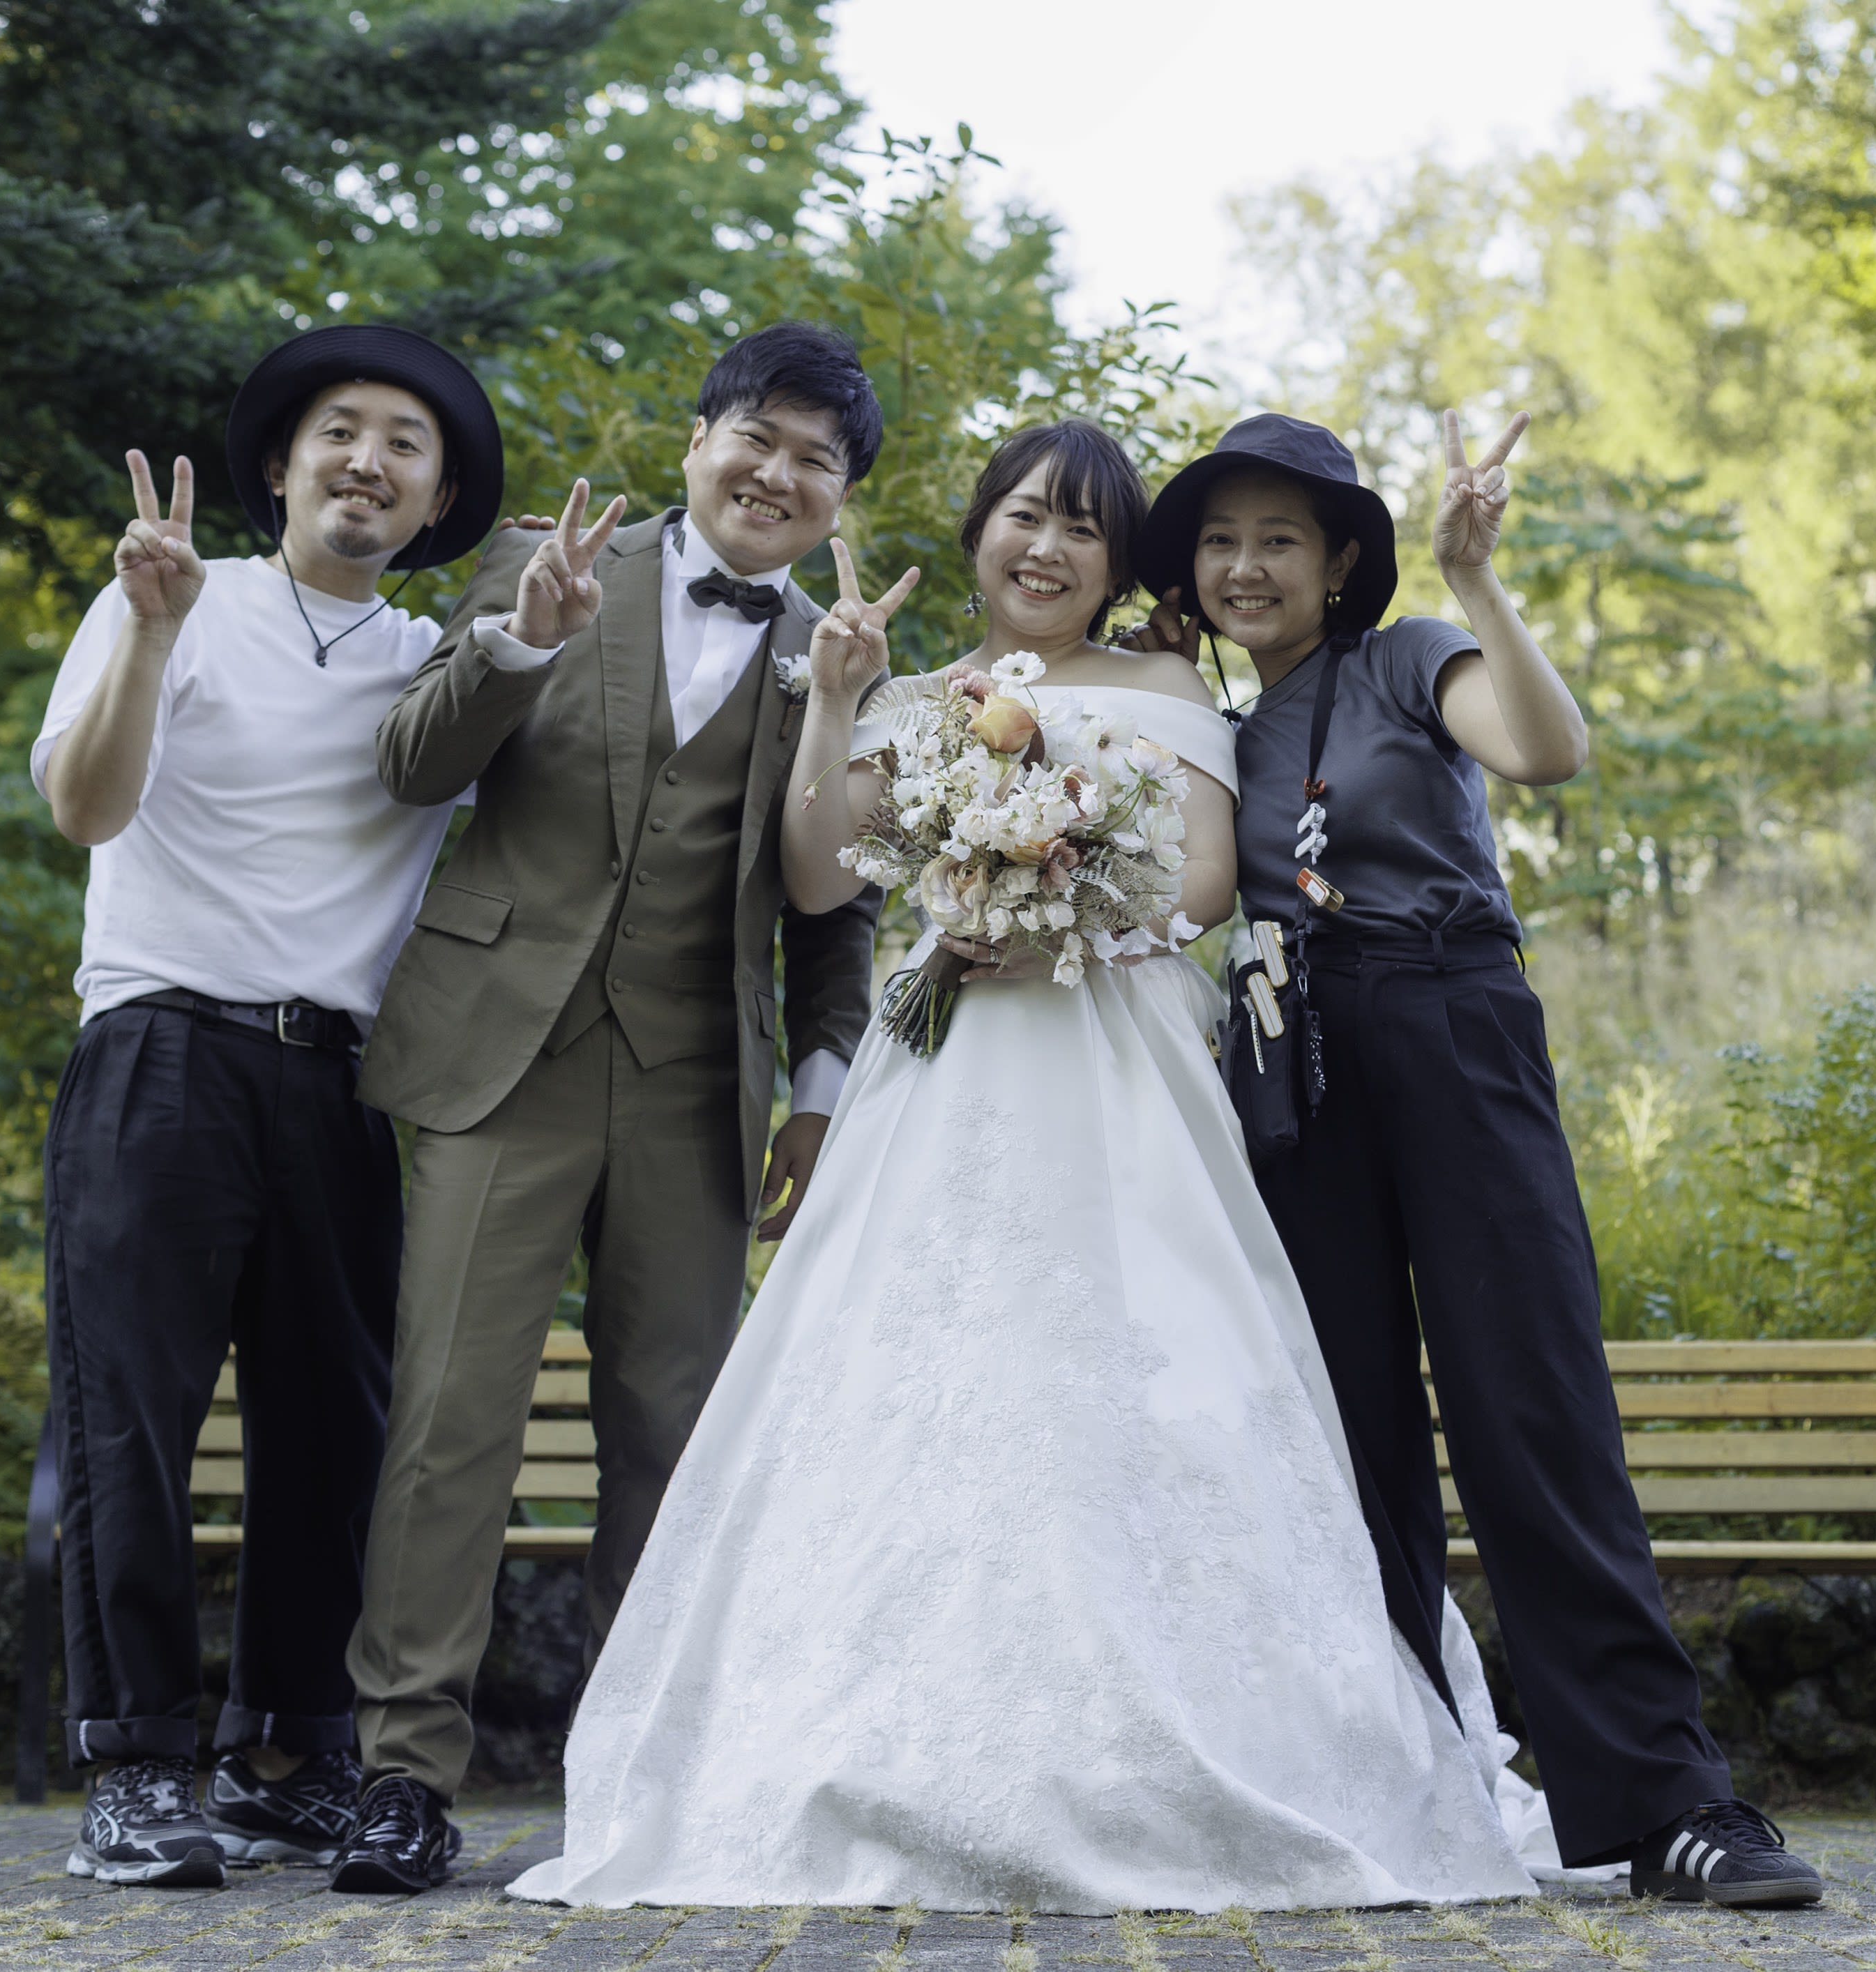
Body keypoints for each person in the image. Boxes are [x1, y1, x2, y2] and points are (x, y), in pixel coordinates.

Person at [504, 420, 1552, 1913]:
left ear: (1117, 566)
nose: (1045, 547)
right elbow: (821, 873)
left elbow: (1206, 879)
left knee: (1148, 1365)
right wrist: (837, 702)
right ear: (980, 531)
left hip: (1121, 1057)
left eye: (1081, 527)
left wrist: (1063, 906)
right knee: (913, 1372)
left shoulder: (1169, 688)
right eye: (1022, 516)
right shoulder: (911, 694)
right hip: (937, 1071)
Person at [1127, 410, 1824, 1909]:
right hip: (1293, 1062)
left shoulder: (1412, 654)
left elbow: (1545, 751)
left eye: (1280, 539)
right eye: (1221, 541)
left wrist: (1478, 579)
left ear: (1340, 562)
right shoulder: (1213, 726)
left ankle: (1671, 1807)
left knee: (1531, 1404)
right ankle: (1409, 1784)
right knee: (1343, 1430)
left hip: (1451, 1019)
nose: (1246, 566)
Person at [330, 321, 884, 1895]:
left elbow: (838, 910)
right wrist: (518, 645)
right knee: (451, 1422)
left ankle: (643, 1780)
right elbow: (408, 767)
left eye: (815, 461)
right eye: (755, 437)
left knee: (672, 1437)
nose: (776, 474)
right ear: (697, 440)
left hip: (701, 1078)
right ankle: (401, 1778)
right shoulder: (540, 561)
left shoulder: (841, 655)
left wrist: (822, 1094)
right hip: (500, 1056)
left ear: (839, 499)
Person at [29, 324, 504, 1888]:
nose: (369, 459)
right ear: (285, 466)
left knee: (332, 1434)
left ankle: (282, 1762)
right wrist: (151, 630)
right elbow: (84, 807)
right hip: (160, 1045)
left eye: (406, 444)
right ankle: (136, 1769)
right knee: (132, 1421)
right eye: (341, 431)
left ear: (436, 501)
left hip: (345, 1077)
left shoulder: (434, 661)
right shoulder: (172, 593)